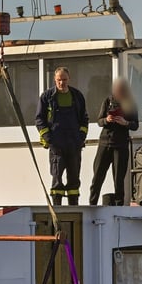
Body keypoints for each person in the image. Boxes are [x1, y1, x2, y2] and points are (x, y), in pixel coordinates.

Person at [36, 67, 89, 206]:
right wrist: (48, 138)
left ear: (69, 79)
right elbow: (39, 119)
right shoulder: (47, 97)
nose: (62, 83)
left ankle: (74, 207)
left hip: (74, 144)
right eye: (59, 80)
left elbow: (84, 118)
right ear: (55, 80)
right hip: (56, 145)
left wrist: (81, 137)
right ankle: (58, 209)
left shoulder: (77, 96)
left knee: (74, 180)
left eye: (64, 80)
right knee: (57, 179)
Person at [89, 78, 139, 206]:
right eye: (117, 90)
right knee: (98, 176)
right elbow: (99, 121)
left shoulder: (130, 103)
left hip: (121, 144)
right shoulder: (108, 100)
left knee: (118, 178)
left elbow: (135, 125)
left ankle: (119, 204)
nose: (118, 92)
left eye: (121, 90)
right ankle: (92, 203)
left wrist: (125, 122)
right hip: (105, 142)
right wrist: (107, 119)